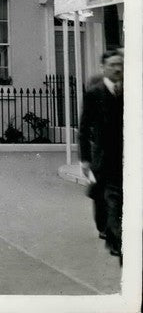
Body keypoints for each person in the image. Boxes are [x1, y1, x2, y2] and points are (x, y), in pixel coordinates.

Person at [79, 48, 124, 261]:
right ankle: (110, 233)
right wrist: (85, 158)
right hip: (103, 155)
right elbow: (84, 128)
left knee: (115, 198)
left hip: (125, 155)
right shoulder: (94, 92)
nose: (117, 68)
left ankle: (116, 239)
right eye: (113, 64)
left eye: (120, 64)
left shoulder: (129, 89)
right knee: (105, 197)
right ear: (103, 67)